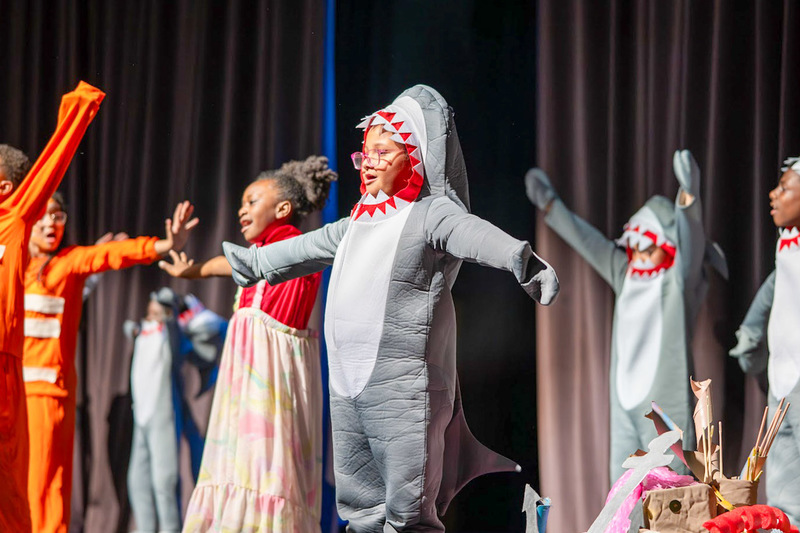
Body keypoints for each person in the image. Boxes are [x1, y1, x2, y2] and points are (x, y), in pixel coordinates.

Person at [223, 85, 559, 532]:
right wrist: (256, 263)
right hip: (347, 386)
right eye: (367, 153)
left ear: (415, 158)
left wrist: (522, 261)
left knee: (408, 510)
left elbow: (475, 234)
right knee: (360, 507)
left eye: (384, 151)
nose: (371, 162)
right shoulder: (358, 222)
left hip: (402, 387)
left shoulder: (429, 214)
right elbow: (306, 247)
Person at [524, 150, 727, 484]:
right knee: (623, 494)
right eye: (636, 247)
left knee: (671, 492)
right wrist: (550, 207)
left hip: (664, 405)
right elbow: (590, 243)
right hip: (624, 404)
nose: (640, 256)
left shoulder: (677, 281)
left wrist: (688, 198)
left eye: (649, 247)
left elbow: (691, 246)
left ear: (668, 244)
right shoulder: (626, 273)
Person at [159, 156, 337, 532]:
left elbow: (248, 264)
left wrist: (195, 269)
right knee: (238, 460)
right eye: (242, 203)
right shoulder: (256, 260)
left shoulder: (295, 247)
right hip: (245, 381)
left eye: (253, 200)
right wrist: (192, 269)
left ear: (283, 208)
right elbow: (235, 265)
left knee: (265, 466)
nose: (243, 209)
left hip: (272, 379)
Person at [23, 193, 197, 533]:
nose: (50, 224)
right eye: (42, 216)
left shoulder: (68, 263)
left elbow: (113, 254)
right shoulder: (14, 267)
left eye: (58, 216)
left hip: (46, 396)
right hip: (10, 395)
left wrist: (165, 245)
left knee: (44, 484)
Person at [0, 81, 105, 533]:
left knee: (10, 483)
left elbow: (52, 165)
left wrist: (78, 108)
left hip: (7, 369)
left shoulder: (14, 218)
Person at [729, 156, 800, 523]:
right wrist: (752, 333)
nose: (773, 194)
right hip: (782, 378)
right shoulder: (787, 243)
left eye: (785, 188)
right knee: (784, 480)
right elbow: (775, 289)